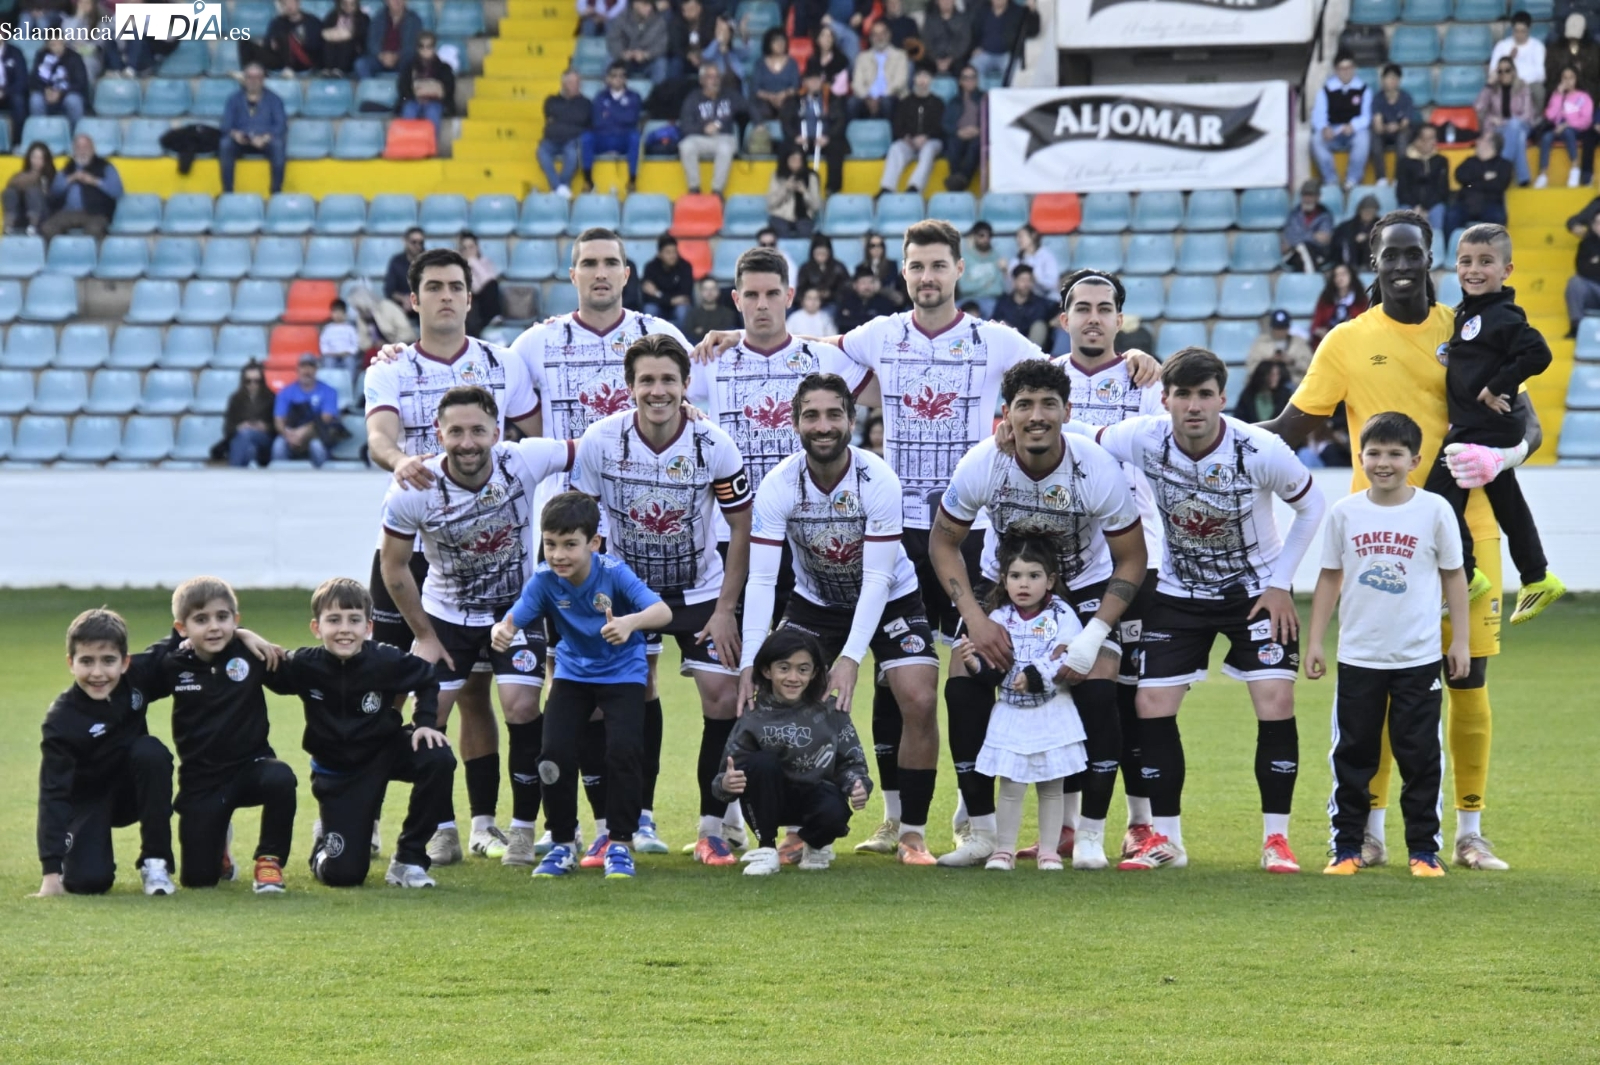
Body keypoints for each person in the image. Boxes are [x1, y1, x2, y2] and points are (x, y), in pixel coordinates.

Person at [1260, 208, 1541, 872]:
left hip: (1469, 529)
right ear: (1375, 262)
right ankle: (1370, 831)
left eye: (1415, 253)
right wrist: (1199, 427)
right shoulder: (1346, 341)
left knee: (1468, 678)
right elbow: (1289, 430)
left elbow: (1527, 422)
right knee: (1376, 683)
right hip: (1377, 538)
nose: (1405, 265)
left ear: (1430, 259)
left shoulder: (1466, 326)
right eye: (1392, 254)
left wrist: (1505, 459)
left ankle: (1469, 831)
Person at [1094, 349, 1327, 873]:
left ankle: (1277, 840)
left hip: (1255, 592)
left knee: (1275, 699)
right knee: (1150, 703)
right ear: (1165, 399)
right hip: (1179, 592)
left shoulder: (1259, 448)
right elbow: (1085, 436)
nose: (1194, 406)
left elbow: (1312, 506)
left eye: (1205, 395)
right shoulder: (1144, 437)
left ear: (1223, 398)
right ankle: (1167, 840)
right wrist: (1010, 431)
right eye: (1183, 395)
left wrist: (1280, 584)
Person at [506, 231, 699, 856]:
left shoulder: (658, 332)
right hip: (567, 542)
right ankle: (580, 824)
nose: (599, 272)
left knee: (639, 681)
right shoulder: (534, 343)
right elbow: (516, 414)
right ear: (572, 274)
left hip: (640, 533)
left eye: (610, 262)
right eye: (588, 263)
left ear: (626, 272)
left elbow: (690, 404)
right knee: (569, 680)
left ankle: (637, 816)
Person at [363, 247, 540, 863]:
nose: (445, 296)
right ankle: (370, 816)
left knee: (477, 691)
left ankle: (481, 823)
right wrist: (401, 463)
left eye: (455, 286)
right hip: (412, 548)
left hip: (487, 552)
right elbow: (379, 436)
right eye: (433, 287)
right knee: (396, 691)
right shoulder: (390, 366)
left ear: (470, 296)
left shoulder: (504, 362)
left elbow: (537, 434)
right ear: (413, 300)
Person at [933, 359, 1145, 869]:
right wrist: (976, 619)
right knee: (964, 682)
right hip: (1004, 583)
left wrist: (1093, 635)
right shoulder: (983, 462)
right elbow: (943, 541)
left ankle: (1089, 834)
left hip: (1084, 583)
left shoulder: (1094, 467)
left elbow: (1133, 558)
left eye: (1049, 404)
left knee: (1099, 685)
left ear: (1067, 411)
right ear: (1006, 413)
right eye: (1024, 405)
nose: (1036, 416)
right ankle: (981, 833)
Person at [570, 334, 755, 865]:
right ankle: (619, 825)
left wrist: (725, 608)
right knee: (616, 699)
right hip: (627, 592)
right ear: (629, 387)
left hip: (699, 592)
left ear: (686, 384)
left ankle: (712, 829)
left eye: (668, 380)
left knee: (722, 696)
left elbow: (741, 527)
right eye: (647, 380)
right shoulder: (600, 440)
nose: (658, 391)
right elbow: (581, 525)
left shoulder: (713, 443)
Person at [735, 372, 934, 858]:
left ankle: (910, 830)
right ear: (795, 422)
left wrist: (849, 657)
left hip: (891, 597)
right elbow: (761, 580)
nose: (822, 426)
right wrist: (750, 662)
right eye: (811, 415)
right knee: (781, 697)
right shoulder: (779, 484)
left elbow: (878, 578)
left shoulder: (878, 479)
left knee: (919, 698)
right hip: (815, 602)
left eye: (833, 414)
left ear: (851, 418)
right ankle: (800, 827)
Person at [379, 386, 577, 867]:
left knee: (522, 706)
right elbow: (393, 566)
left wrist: (684, 413)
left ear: (496, 431)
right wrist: (424, 636)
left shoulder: (522, 460)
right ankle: (442, 830)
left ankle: (524, 831)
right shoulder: (413, 487)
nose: (467, 442)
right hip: (447, 616)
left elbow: (592, 444)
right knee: (429, 717)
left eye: (477, 430)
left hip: (516, 612)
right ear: (438, 433)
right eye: (456, 431)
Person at [1307, 411, 1470, 878]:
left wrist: (1460, 640)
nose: (1384, 462)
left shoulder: (1435, 510)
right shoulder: (1345, 512)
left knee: (1420, 756)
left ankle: (1423, 850)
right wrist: (1315, 641)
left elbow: (1454, 576)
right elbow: (1329, 577)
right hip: (1359, 656)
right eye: (1374, 453)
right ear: (1359, 456)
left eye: (1395, 454)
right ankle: (1346, 847)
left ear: (1414, 460)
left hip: (1418, 657)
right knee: (1352, 755)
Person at [491, 492, 671, 879]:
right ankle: (562, 844)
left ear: (594, 543)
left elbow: (662, 611)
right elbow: (512, 620)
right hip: (573, 673)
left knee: (623, 752)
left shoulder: (615, 573)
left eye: (570, 544)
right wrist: (500, 632)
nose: (558, 555)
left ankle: (619, 844)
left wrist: (630, 623)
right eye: (550, 544)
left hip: (623, 672)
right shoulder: (544, 580)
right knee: (552, 756)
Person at [1050, 270, 1165, 860]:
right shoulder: (1044, 379)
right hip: (1063, 561)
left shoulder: (1147, 381)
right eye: (1082, 308)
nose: (1092, 318)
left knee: (1132, 695)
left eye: (1104, 308)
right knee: (1068, 691)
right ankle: (1067, 824)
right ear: (1064, 318)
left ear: (1120, 320)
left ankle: (1140, 822)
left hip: (1134, 557)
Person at [272, 578, 456, 888]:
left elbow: (426, 676)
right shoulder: (304, 664)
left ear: (368, 626)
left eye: (354, 620)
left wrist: (424, 722)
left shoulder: (385, 659)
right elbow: (263, 668)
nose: (344, 629)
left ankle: (409, 859)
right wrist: (245, 635)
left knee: (438, 757)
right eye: (334, 620)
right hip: (340, 774)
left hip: (385, 752)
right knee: (344, 875)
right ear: (317, 627)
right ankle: (324, 843)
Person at [1423, 224, 1564, 622]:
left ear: (1507, 270)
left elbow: (1539, 353)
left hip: (1482, 427)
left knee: (1437, 499)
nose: (1473, 270)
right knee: (1507, 500)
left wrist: (1497, 386)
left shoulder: (1501, 314)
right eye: (1465, 261)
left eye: (1486, 261)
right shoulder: (1469, 311)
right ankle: (1537, 576)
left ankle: (1467, 576)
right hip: (1480, 424)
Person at [150, 578, 296, 893]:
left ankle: (269, 861)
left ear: (235, 619)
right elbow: (135, 679)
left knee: (281, 777)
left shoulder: (251, 653)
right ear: (182, 628)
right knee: (199, 880)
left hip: (250, 768)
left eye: (222, 617)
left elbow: (298, 673)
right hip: (202, 781)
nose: (214, 626)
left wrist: (247, 636)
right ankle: (220, 849)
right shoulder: (173, 664)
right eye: (201, 620)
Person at [951, 536, 1087, 872]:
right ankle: (1003, 851)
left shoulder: (1063, 614)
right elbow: (995, 670)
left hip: (1052, 711)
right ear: (1003, 580)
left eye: (1033, 575)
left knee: (1051, 787)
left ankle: (1049, 852)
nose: (1023, 584)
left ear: (1050, 580)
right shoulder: (998, 617)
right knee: (1011, 785)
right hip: (1011, 712)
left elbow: (1069, 655)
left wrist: (1035, 676)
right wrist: (974, 664)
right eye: (1015, 576)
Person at [34, 609, 177, 897]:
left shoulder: (137, 676)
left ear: (125, 662)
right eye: (86, 661)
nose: (98, 673)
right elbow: (53, 794)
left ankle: (155, 861)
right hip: (88, 801)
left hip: (133, 793)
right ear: (71, 663)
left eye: (108, 661)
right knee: (88, 883)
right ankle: (82, 856)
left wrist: (241, 635)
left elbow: (180, 639)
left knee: (151, 752)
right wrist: (51, 872)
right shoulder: (61, 720)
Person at [714, 628, 873, 875]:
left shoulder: (830, 709)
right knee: (761, 762)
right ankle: (767, 849)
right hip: (768, 800)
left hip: (815, 797)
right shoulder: (753, 712)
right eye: (784, 668)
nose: (793, 677)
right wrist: (726, 783)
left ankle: (816, 843)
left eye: (803, 669)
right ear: (767, 671)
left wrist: (857, 784)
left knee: (834, 810)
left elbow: (852, 762)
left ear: (815, 672)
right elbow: (725, 776)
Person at [679, 64, 747, 197]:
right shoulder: (693, 98)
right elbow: (685, 126)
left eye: (717, 77)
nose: (714, 81)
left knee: (725, 149)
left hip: (725, 137)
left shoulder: (730, 95)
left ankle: (717, 191)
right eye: (710, 77)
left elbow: (749, 107)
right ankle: (694, 188)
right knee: (686, 146)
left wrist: (759, 124)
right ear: (702, 80)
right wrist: (703, 129)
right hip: (701, 138)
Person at [219, 64, 288, 196]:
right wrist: (235, 134)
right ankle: (227, 191)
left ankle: (276, 191)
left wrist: (266, 137)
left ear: (263, 79)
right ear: (244, 79)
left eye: (257, 77)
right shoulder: (233, 99)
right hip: (241, 140)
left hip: (265, 140)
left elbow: (281, 125)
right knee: (225, 144)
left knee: (278, 145)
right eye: (250, 77)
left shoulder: (275, 99)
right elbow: (225, 125)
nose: (253, 81)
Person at [783, 61, 849, 195]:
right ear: (805, 82)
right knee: (790, 149)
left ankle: (832, 189)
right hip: (802, 139)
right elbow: (786, 121)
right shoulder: (795, 99)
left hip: (825, 139)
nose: (814, 82)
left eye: (817, 79)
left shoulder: (832, 98)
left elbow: (840, 121)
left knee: (836, 148)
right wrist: (795, 136)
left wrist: (828, 137)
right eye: (810, 80)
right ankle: (798, 187)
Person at [40, 132, 120, 239]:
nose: (82, 151)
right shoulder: (67, 168)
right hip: (67, 212)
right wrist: (70, 179)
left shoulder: (106, 167)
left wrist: (94, 181)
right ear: (73, 150)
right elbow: (54, 191)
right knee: (48, 227)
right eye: (78, 147)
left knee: (94, 230)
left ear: (93, 149)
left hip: (96, 213)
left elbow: (117, 191)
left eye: (86, 147)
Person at [1310, 52, 1372, 190]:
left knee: (1363, 138)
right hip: (1333, 130)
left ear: (1354, 68)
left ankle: (1352, 180)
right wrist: (1324, 128)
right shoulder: (1326, 90)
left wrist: (1353, 126)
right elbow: (1318, 115)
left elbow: (1366, 117)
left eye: (1349, 68)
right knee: (1316, 139)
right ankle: (1331, 180)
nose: (1346, 72)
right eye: (1342, 68)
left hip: (1354, 131)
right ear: (1336, 70)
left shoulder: (1363, 89)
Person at [881, 68, 944, 194]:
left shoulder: (938, 103)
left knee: (928, 150)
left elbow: (941, 127)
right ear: (914, 79)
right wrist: (907, 138)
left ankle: (914, 187)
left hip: (931, 141)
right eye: (919, 76)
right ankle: (887, 187)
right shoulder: (905, 102)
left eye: (926, 77)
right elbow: (897, 125)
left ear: (931, 80)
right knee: (896, 148)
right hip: (909, 141)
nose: (922, 80)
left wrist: (926, 137)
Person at [272, 354, 341, 466]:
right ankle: (280, 476)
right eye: (303, 367)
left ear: (316, 370)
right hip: (292, 433)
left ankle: (322, 476)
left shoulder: (329, 391)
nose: (307, 371)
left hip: (317, 433)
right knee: (278, 445)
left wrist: (304, 431)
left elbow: (327, 417)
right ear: (297, 369)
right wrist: (287, 434)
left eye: (311, 367)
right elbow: (278, 420)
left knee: (317, 446)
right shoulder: (285, 392)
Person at [583, 63, 643, 194]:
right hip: (603, 138)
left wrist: (610, 113)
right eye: (614, 75)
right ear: (608, 78)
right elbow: (598, 121)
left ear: (626, 79)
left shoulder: (634, 96)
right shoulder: (600, 97)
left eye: (622, 76)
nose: (618, 79)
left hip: (623, 139)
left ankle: (632, 180)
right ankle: (588, 181)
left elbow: (632, 118)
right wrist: (621, 113)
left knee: (635, 137)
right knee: (586, 137)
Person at [1476, 58, 1533, 187]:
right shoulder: (1493, 89)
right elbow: (1478, 107)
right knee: (1519, 138)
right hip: (1499, 129)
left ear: (1513, 72)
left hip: (1522, 125)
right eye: (1500, 71)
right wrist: (1488, 85)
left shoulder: (1523, 88)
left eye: (1507, 70)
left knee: (1514, 125)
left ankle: (1501, 171)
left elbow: (1527, 115)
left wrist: (1505, 121)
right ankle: (1523, 179)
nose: (1504, 74)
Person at [1535, 66, 1591, 188]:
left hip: (1576, 130)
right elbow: (1550, 116)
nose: (1568, 81)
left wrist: (1567, 124)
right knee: (1546, 137)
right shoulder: (1557, 95)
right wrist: (1558, 95)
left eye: (1571, 78)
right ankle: (1543, 174)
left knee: (1568, 131)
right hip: (1557, 129)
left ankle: (1575, 168)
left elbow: (1586, 120)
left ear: (1576, 79)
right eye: (1564, 78)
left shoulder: (1583, 97)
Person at [540, 69, 592, 198]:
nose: (577, 85)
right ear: (564, 84)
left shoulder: (585, 103)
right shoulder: (551, 100)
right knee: (541, 152)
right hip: (551, 139)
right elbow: (551, 116)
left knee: (572, 155)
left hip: (572, 140)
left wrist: (560, 118)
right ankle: (560, 188)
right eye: (572, 82)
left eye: (578, 82)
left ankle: (559, 188)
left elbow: (581, 119)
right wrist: (571, 119)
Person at [1450, 131, 1513, 232]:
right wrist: (1483, 176)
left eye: (1481, 139)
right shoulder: (1469, 161)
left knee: (1497, 217)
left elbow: (1499, 186)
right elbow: (1460, 177)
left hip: (1491, 203)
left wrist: (1471, 183)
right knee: (1452, 215)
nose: (1477, 141)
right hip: (1466, 203)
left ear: (1490, 143)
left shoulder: (1504, 165)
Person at [396, 31, 454, 138]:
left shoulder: (444, 68)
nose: (425, 49)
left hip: (435, 102)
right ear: (417, 48)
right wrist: (416, 96)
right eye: (421, 46)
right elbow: (403, 87)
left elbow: (449, 89)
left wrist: (434, 93)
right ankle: (408, 143)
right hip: (414, 100)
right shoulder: (409, 67)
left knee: (432, 112)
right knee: (409, 110)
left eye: (429, 46)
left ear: (434, 48)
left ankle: (430, 144)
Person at [968, 0, 1039, 84]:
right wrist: (976, 47)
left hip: (1007, 55)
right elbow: (974, 31)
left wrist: (1033, 12)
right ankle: (980, 93)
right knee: (970, 72)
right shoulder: (982, 10)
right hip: (985, 52)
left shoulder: (1017, 12)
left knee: (1015, 74)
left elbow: (1033, 31)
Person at [244, 0, 323, 73]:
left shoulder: (312, 21)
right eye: (284, 4)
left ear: (298, 3)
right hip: (280, 59)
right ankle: (246, 73)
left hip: (303, 60)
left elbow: (316, 44)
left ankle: (288, 69)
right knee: (245, 42)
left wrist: (297, 42)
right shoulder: (277, 22)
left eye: (291, 3)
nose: (288, 6)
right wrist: (272, 44)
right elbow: (267, 43)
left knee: (284, 36)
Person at [1397, 124, 1448, 236]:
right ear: (1417, 141)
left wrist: (1426, 208)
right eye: (1426, 138)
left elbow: (1442, 190)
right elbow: (1402, 190)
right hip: (1410, 204)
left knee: (1438, 211)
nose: (1431, 142)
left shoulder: (1441, 161)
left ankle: (1436, 244)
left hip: (1433, 205)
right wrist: (1416, 206)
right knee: (1403, 212)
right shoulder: (1405, 162)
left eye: (1433, 138)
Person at [1491, 10, 1546, 113]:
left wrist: (1522, 82)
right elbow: (1493, 70)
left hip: (1529, 83)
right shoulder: (1502, 46)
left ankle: (1536, 119)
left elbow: (1541, 74)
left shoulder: (1537, 46)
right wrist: (1509, 58)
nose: (1519, 35)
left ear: (1529, 29)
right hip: (1507, 82)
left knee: (1539, 90)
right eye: (1516, 31)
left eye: (1523, 31)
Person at [222, 362, 276, 467]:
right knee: (247, 446)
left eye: (257, 381)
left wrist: (265, 427)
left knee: (246, 435)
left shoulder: (271, 398)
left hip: (265, 441)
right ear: (243, 381)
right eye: (248, 381)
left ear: (262, 381)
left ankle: (233, 472)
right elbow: (227, 429)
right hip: (241, 439)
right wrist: (240, 427)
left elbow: (278, 427)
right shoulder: (235, 399)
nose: (252, 384)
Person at [851, 21, 908, 119]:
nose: (879, 37)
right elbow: (857, 83)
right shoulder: (862, 57)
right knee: (852, 103)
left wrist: (880, 97)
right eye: (875, 35)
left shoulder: (900, 55)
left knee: (886, 103)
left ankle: (890, 129)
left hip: (892, 95)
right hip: (867, 97)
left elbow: (900, 82)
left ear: (888, 35)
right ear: (871, 38)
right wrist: (868, 97)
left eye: (882, 34)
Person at [1371, 64, 1415, 186]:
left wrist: (1397, 127)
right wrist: (1386, 127)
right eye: (1389, 77)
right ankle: (1381, 178)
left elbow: (1405, 123)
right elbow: (1378, 125)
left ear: (1399, 81)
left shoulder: (1406, 98)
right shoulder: (1378, 99)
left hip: (1400, 131)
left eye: (1395, 78)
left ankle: (1398, 178)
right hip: (1384, 132)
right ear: (1382, 80)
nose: (1391, 81)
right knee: (1374, 137)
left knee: (1402, 138)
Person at [28, 37, 87, 129]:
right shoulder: (41, 55)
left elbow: (81, 83)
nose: (57, 47)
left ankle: (76, 133)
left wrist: (61, 92)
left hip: (67, 93)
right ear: (47, 45)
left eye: (59, 43)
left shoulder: (75, 57)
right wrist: (45, 90)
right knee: (35, 100)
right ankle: (40, 131)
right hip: (46, 93)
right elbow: (34, 79)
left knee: (74, 101)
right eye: (53, 44)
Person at [990, 264, 1054, 345]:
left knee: (1039, 326)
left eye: (1029, 280)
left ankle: (1030, 354)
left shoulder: (1040, 303)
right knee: (999, 324)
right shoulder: (1004, 302)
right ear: (1014, 282)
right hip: (1010, 343)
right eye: (1022, 280)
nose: (1026, 284)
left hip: (1032, 344)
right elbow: (993, 322)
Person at [943, 65, 984, 192]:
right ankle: (956, 177)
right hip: (959, 134)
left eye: (972, 77)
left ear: (977, 80)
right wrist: (958, 131)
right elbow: (945, 123)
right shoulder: (954, 101)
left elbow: (992, 120)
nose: (969, 81)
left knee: (976, 144)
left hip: (978, 134)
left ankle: (962, 179)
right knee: (953, 142)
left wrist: (979, 130)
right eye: (966, 78)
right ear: (960, 81)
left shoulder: (985, 99)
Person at [608, 0, 669, 84]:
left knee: (660, 63)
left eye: (650, 5)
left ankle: (659, 91)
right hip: (625, 61)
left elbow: (662, 45)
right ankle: (609, 91)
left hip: (648, 62)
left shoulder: (658, 21)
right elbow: (613, 39)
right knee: (610, 60)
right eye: (645, 4)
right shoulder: (622, 18)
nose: (649, 8)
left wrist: (646, 54)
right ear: (635, 4)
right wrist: (623, 53)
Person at [356, 0, 421, 79]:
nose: (397, 1)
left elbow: (412, 46)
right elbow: (371, 42)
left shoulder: (414, 20)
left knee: (413, 65)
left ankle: (403, 86)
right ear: (387, 1)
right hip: (380, 58)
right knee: (361, 64)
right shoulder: (378, 17)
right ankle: (371, 86)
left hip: (402, 59)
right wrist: (381, 56)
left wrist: (396, 56)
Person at [1311, 263, 1370, 350]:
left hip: (1354, 341)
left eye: (1343, 274)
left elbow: (1365, 325)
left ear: (1351, 276)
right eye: (1336, 275)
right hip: (1330, 340)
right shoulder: (1326, 298)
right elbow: (1316, 325)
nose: (1340, 278)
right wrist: (1321, 332)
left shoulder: (1361, 298)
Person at [1280, 179, 1334, 273]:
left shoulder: (1325, 215)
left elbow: (1324, 240)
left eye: (1311, 195)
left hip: (1318, 253)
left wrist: (1301, 237)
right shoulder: (1294, 215)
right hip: (1294, 253)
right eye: (1305, 195)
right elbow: (1289, 241)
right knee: (1302, 248)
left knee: (1304, 250)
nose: (1307, 199)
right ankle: (1312, 277)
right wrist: (1313, 236)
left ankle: (1309, 276)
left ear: (1318, 197)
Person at [1246, 309, 1315, 381]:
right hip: (1266, 383)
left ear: (1288, 328)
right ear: (1272, 328)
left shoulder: (1299, 343)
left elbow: (1311, 368)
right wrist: (1269, 362)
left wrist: (1292, 362)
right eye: (1277, 328)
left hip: (1294, 383)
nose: (1280, 332)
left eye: (1283, 328)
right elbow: (1251, 367)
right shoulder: (1261, 343)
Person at [767, 147, 821, 237]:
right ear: (787, 160)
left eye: (799, 160)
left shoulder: (811, 177)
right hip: (780, 216)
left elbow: (816, 206)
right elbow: (771, 203)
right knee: (782, 230)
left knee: (805, 231)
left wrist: (805, 193)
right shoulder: (777, 175)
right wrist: (785, 188)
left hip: (804, 216)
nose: (796, 163)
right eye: (793, 160)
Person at [642, 235, 696, 326]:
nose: (672, 256)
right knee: (649, 309)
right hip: (658, 306)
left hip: (677, 307)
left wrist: (657, 294)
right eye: (668, 252)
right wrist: (671, 300)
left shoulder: (685, 267)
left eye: (675, 252)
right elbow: (648, 297)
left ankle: (681, 336)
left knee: (682, 310)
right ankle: (651, 336)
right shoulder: (650, 267)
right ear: (659, 254)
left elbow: (685, 296)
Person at [748, 28, 799, 122]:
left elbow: (795, 86)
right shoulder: (760, 64)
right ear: (769, 44)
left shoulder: (792, 63)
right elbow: (755, 88)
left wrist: (783, 95)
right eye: (776, 41)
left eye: (782, 40)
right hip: (765, 100)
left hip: (786, 100)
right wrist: (770, 97)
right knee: (756, 106)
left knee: (791, 107)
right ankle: (760, 128)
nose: (780, 44)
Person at [4, 141, 54, 235]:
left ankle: (33, 226)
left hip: (43, 215)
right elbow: (11, 184)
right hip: (22, 214)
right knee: (10, 192)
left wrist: (36, 179)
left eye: (40, 158)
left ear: (46, 160)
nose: (36, 161)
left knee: (33, 191)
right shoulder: (20, 175)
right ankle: (9, 225)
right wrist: (30, 179)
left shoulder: (52, 176)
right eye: (34, 157)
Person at [458, 232, 502, 334]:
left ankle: (493, 319)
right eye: (465, 248)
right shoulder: (460, 266)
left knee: (491, 285)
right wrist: (468, 264)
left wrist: (473, 262)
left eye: (471, 247)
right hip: (471, 304)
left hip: (485, 302)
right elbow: (475, 288)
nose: (468, 251)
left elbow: (488, 281)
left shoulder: (486, 262)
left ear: (477, 247)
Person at [834, 263, 896, 333]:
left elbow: (886, 324)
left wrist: (856, 318)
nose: (867, 287)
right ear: (854, 285)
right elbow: (841, 322)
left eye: (871, 282)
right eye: (863, 283)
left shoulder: (884, 302)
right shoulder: (846, 301)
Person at [796, 234, 851, 308]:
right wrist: (813, 294)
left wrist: (830, 294)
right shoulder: (805, 268)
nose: (821, 256)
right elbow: (800, 290)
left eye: (824, 253)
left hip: (833, 303)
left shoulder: (839, 267)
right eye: (818, 253)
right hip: (810, 304)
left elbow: (846, 288)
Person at [1566, 210, 1600, 329]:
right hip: (1594, 289)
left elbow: (1590, 268)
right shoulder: (1586, 244)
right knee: (1575, 283)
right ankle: (1577, 326)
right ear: (1593, 226)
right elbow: (1582, 269)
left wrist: (1596, 263)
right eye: (1598, 223)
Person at [320, 0, 370, 76]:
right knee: (328, 43)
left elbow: (360, 34)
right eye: (345, 4)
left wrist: (344, 35)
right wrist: (334, 35)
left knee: (347, 43)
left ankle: (340, 69)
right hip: (333, 46)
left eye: (352, 4)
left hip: (353, 49)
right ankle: (328, 68)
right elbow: (324, 31)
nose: (348, 7)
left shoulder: (363, 18)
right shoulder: (333, 16)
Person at [923, 0, 972, 78]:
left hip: (956, 58)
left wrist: (950, 59)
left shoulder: (962, 18)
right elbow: (926, 40)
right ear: (937, 2)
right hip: (934, 58)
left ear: (954, 2)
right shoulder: (930, 19)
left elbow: (965, 41)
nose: (946, 2)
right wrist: (936, 59)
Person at [1332, 194, 1381, 271]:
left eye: (1371, 211)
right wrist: (1354, 239)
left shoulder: (1381, 225)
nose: (1368, 213)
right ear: (1360, 211)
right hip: (1352, 259)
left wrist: (1367, 236)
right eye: (1366, 210)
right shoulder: (1347, 226)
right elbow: (1337, 240)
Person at [958, 220, 1005, 301]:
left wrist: (973, 283)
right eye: (981, 235)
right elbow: (964, 288)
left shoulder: (996, 257)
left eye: (989, 236)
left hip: (991, 300)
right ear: (975, 237)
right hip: (968, 301)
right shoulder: (964, 258)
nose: (985, 239)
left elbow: (998, 289)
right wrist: (986, 283)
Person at [383, 227, 426, 314]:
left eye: (421, 243)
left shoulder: (429, 261)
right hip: (402, 308)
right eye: (414, 242)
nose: (417, 246)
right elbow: (389, 290)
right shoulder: (396, 262)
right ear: (405, 241)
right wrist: (404, 299)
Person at [1010, 224, 1059, 295]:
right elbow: (1011, 286)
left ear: (1033, 236)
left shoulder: (1047, 256)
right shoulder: (1016, 259)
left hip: (1046, 297)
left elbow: (1052, 284)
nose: (1018, 240)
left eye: (1021, 236)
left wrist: (1036, 279)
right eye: (1017, 237)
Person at [687, 275, 737, 342]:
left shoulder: (728, 313)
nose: (709, 292)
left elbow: (727, 334)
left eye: (713, 289)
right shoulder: (692, 314)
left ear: (718, 291)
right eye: (706, 289)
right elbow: (689, 334)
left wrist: (701, 330)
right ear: (700, 292)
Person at [861, 233, 906, 307]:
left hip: (887, 300)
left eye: (880, 245)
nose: (877, 249)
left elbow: (892, 282)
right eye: (873, 246)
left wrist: (879, 287)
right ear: (868, 248)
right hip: (868, 302)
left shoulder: (892, 265)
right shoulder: (862, 267)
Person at [319, 299, 362, 377]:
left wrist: (347, 352)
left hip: (347, 355)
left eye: (340, 312)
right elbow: (323, 344)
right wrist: (330, 352)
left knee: (350, 361)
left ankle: (350, 383)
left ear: (345, 313)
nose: (338, 315)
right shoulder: (327, 329)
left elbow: (355, 344)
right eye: (335, 312)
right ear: (332, 313)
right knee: (328, 362)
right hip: (331, 355)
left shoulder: (350, 328)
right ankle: (329, 382)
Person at [0, 40, 30, 146]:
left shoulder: (15, 52)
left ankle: (17, 142)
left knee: (18, 100)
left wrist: (5, 92)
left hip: (10, 94)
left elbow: (22, 80)